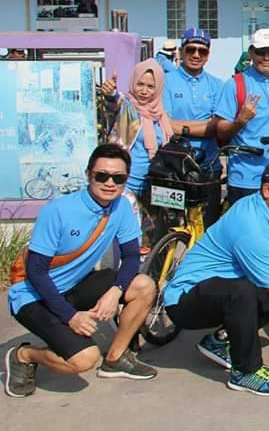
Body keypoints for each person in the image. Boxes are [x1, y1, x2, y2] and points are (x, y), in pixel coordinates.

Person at [5, 144, 158, 399]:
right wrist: (71, 316)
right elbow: (36, 272)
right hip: (34, 295)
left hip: (74, 285)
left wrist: (115, 291)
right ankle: (24, 355)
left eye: (118, 178)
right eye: (102, 175)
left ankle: (116, 359)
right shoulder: (58, 211)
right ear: (89, 175)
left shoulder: (121, 207)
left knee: (144, 285)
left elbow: (131, 256)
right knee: (84, 359)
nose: (110, 183)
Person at [162, 159, 269, 396]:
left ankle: (219, 341)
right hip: (184, 301)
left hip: (217, 287)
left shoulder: (259, 206)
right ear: (267, 190)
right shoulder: (250, 228)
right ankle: (245, 372)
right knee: (245, 292)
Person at [213, 28, 269, 204]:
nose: (266, 57)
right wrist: (240, 121)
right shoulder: (234, 84)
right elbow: (220, 130)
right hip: (246, 178)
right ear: (251, 52)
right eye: (261, 52)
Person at [162, 27, 225, 221]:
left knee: (207, 224)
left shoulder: (218, 85)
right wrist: (203, 127)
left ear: (208, 56)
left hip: (208, 166)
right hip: (173, 166)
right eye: (191, 49)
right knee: (171, 225)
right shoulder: (165, 81)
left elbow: (216, 126)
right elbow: (165, 124)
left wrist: (182, 128)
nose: (196, 55)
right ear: (181, 51)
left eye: (202, 51)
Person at [102, 59, 175, 205]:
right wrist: (110, 93)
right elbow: (114, 103)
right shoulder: (128, 108)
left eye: (150, 86)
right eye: (140, 84)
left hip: (154, 186)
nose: (144, 91)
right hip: (126, 184)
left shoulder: (162, 115)